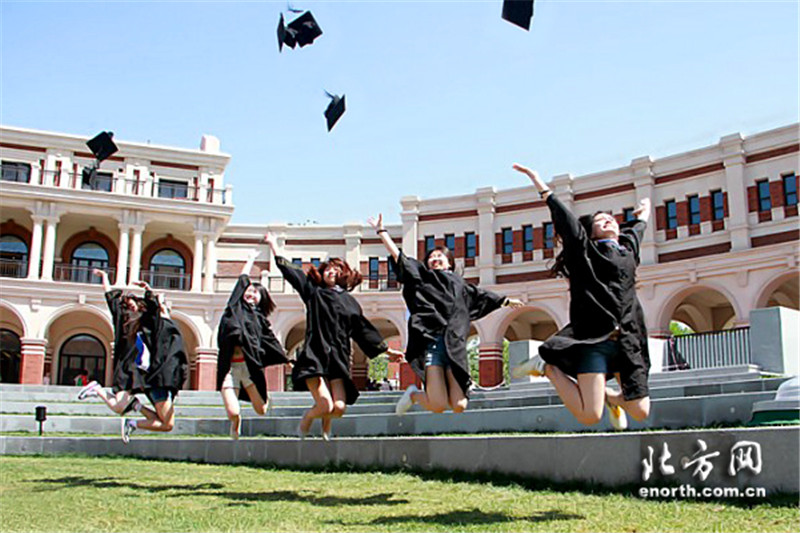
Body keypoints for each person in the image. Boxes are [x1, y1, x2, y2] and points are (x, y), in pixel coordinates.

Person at [511, 163, 652, 430]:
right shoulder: (584, 253)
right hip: (593, 340)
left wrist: (643, 215)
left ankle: (613, 398)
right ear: (591, 232)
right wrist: (540, 184)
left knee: (641, 411)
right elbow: (567, 222)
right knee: (589, 415)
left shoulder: (627, 252)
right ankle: (548, 368)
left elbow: (636, 232)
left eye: (611, 218)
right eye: (600, 220)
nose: (608, 220)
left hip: (628, 341)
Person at [367, 214, 524, 416]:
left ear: (449, 263)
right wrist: (381, 232)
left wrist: (504, 300)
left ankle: (442, 390)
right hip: (432, 343)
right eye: (431, 257)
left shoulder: (460, 285)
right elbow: (400, 258)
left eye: (440, 256)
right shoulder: (422, 277)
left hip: (454, 346)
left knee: (459, 406)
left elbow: (480, 295)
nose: (435, 259)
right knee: (438, 405)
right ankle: (414, 394)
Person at [265, 233, 404, 439]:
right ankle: (306, 420)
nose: (331, 271)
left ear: (343, 275)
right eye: (328, 268)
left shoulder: (350, 302)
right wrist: (274, 246)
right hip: (315, 354)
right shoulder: (314, 292)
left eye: (336, 269)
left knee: (338, 407)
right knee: (325, 404)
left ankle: (325, 432)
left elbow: (363, 330)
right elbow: (291, 272)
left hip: (338, 358)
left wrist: (386, 350)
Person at [78, 271, 188, 443]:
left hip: (144, 372)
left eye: (133, 303)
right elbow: (111, 299)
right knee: (118, 407)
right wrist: (105, 277)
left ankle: (135, 409)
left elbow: (154, 310)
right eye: (127, 305)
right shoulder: (124, 323)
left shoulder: (148, 322)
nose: (131, 307)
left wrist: (148, 290)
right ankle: (97, 389)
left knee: (163, 420)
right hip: (127, 369)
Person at [217, 249, 289, 440]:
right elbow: (242, 281)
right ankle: (235, 423)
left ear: (261, 299)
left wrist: (286, 359)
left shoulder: (260, 320)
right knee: (233, 412)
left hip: (250, 368)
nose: (251, 293)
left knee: (262, 410)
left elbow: (271, 341)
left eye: (256, 292)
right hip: (230, 367)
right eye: (249, 291)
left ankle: (260, 395)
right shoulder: (234, 307)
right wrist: (250, 260)